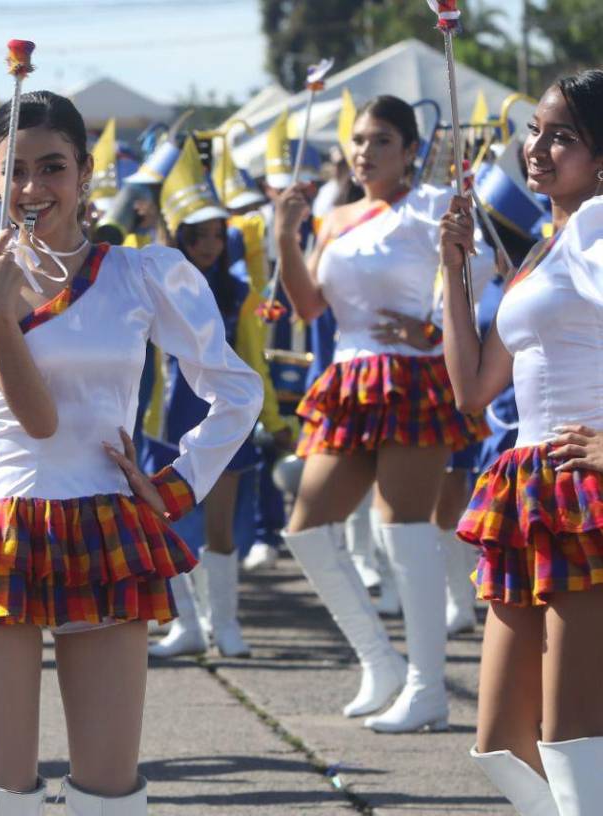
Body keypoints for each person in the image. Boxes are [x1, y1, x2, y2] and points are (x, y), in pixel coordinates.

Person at [0, 91, 262, 813]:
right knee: (0, 783)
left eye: (54, 167)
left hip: (105, 526)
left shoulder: (140, 273)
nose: (35, 189)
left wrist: (178, 483)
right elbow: (35, 421)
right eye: (18, 171)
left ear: (86, 171)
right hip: (0, 528)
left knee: (106, 782)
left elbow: (237, 389)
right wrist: (0, 313)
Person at [275, 94, 493, 733]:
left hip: (411, 379)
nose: (364, 151)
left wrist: (430, 326)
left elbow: (479, 277)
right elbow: (309, 305)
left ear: (409, 151)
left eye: (381, 141)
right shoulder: (333, 215)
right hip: (349, 378)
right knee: (307, 526)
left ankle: (429, 686)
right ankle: (381, 663)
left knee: (404, 527)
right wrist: (286, 231)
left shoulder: (436, 206)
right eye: (359, 139)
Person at [442, 70, 603, 816]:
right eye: (535, 129)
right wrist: (453, 270)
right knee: (504, 746)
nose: (537, 147)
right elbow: (474, 390)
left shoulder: (599, 223)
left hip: (586, 491)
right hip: (531, 489)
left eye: (562, 136)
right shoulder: (549, 244)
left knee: (574, 739)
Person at [145, 138, 287, 659]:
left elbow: (253, 360)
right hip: (167, 422)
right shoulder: (151, 283)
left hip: (224, 422)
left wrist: (270, 418)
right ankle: (184, 623)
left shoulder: (236, 291)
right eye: (197, 234)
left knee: (221, 529)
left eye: (215, 233)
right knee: (163, 525)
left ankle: (225, 623)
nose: (208, 244)